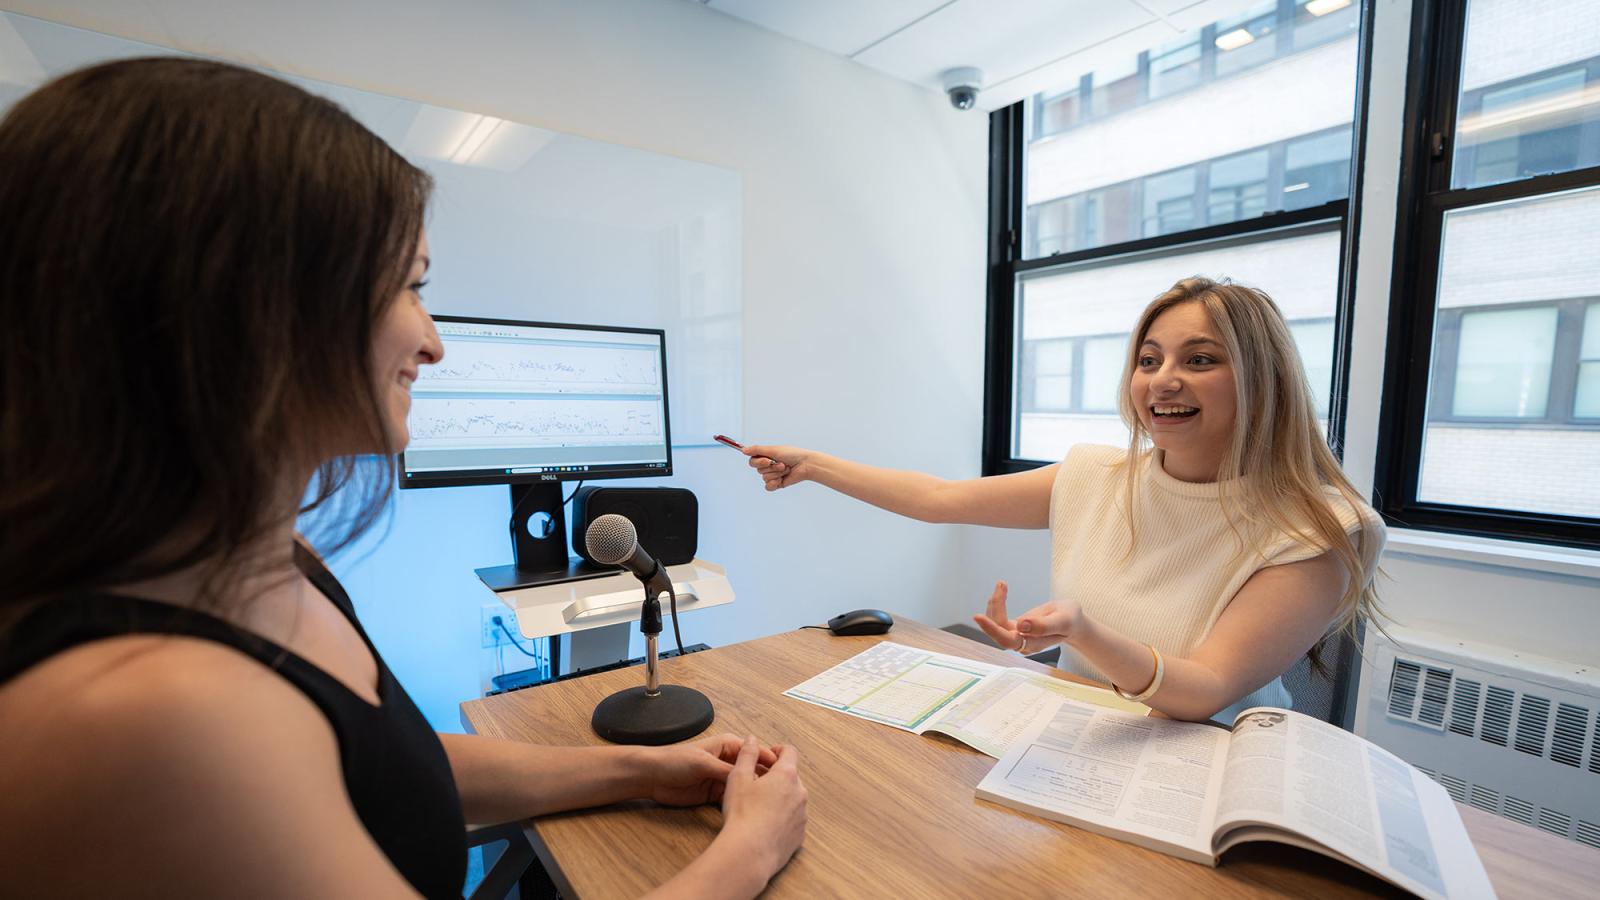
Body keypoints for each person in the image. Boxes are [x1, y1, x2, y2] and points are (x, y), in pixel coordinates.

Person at [0, 58, 805, 898]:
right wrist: (748, 851)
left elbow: (389, 767)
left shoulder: (263, 559)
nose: (433, 342)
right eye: (406, 287)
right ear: (248, 309)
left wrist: (634, 773)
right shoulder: (148, 716)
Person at [744, 278, 1385, 724]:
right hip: (1079, 736)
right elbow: (938, 498)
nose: (1163, 379)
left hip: (1212, 768)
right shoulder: (1094, 474)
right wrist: (814, 465)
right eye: (1149, 359)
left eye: (1200, 359)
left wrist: (1082, 632)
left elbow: (1205, 692)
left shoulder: (1315, 529)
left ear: (1262, 379)